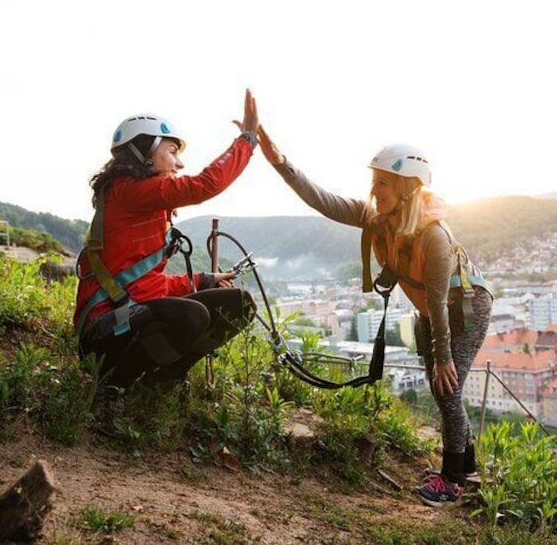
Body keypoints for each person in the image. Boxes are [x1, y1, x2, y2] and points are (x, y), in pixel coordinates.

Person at [254, 126, 492, 506]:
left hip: (463, 308)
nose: (373, 191)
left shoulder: (434, 237)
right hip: (433, 310)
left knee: (448, 387)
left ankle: (452, 480)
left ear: (408, 189)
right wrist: (281, 163)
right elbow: (324, 201)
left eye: (382, 182)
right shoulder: (379, 219)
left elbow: (437, 299)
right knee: (443, 388)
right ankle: (468, 469)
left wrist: (444, 356)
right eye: (374, 181)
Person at [74, 90, 259, 415]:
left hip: (129, 318)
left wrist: (204, 280)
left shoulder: (141, 204)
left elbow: (147, 285)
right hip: (101, 331)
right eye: (172, 151)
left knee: (239, 305)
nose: (179, 162)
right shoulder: (127, 192)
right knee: (191, 315)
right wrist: (246, 141)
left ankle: (158, 382)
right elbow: (203, 185)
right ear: (144, 150)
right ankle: (112, 387)